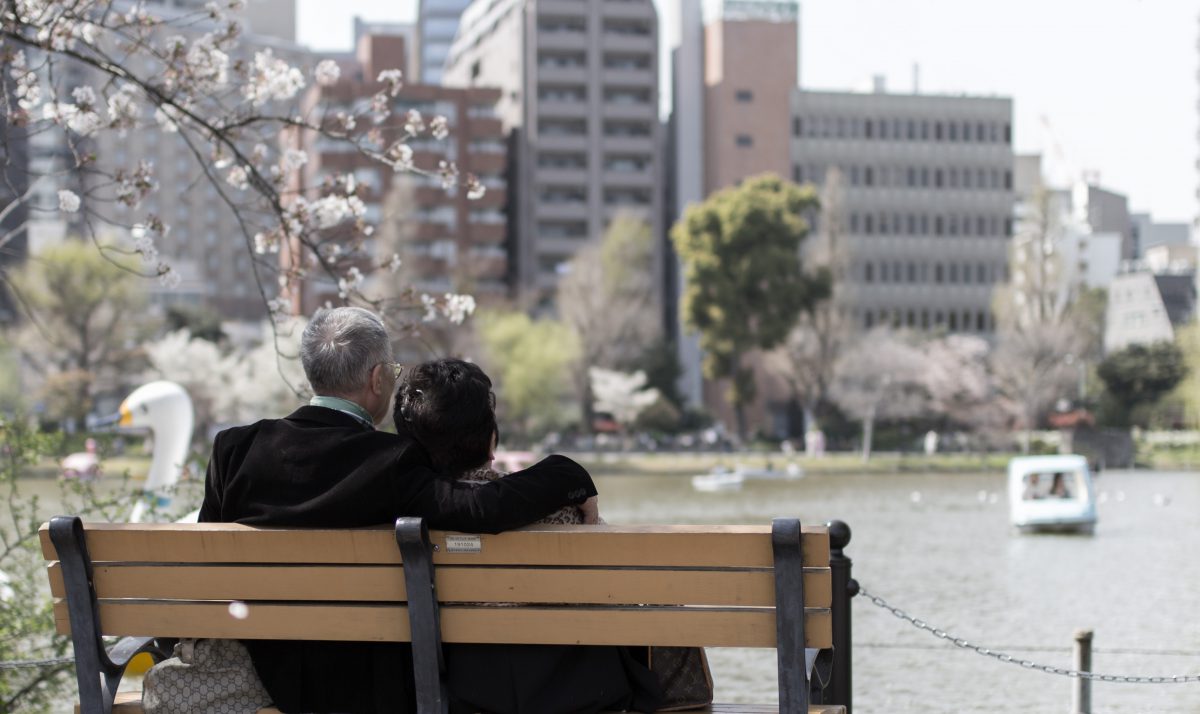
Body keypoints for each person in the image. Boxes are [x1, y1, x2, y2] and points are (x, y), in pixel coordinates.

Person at [150, 307, 602, 714]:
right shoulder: (391, 459)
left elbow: (205, 560)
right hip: (367, 685)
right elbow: (483, 507)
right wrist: (566, 473)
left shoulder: (235, 448)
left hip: (264, 662)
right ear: (377, 378)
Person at [393, 359, 662, 713]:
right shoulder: (561, 512)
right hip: (580, 696)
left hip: (461, 695)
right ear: (491, 442)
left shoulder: (399, 520)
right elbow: (621, 597)